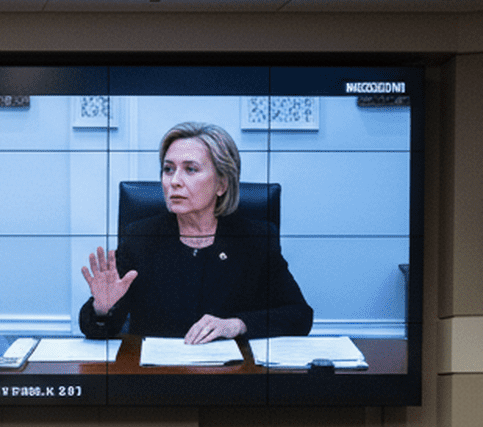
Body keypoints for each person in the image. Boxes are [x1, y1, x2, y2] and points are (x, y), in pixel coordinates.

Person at [77, 121, 312, 344]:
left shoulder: (255, 239)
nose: (174, 181)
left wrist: (238, 325)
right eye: (168, 170)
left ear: (222, 184)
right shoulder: (141, 238)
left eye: (190, 169)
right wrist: (102, 309)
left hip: (231, 377)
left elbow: (299, 316)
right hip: (156, 378)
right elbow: (101, 329)